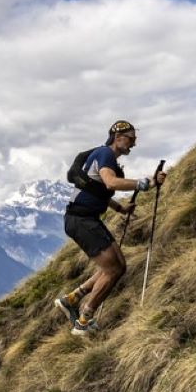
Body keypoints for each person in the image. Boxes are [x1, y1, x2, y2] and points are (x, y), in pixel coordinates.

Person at [54, 121, 165, 336]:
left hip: (85, 218)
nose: (133, 144)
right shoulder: (105, 153)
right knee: (113, 269)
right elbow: (111, 183)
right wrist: (146, 183)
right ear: (118, 136)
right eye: (131, 138)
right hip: (81, 220)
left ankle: (72, 300)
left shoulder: (108, 158)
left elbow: (100, 191)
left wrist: (121, 208)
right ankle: (84, 320)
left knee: (119, 265)